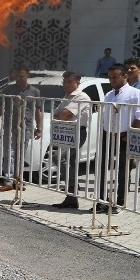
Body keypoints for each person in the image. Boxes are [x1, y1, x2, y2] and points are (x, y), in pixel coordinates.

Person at [97, 64, 140, 214]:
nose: (112, 80)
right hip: (108, 134)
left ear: (125, 76)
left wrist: (129, 134)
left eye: (115, 77)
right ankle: (102, 201)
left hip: (124, 136)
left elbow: (139, 116)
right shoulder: (109, 94)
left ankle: (120, 203)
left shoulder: (135, 94)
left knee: (123, 170)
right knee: (101, 167)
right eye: (109, 77)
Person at [0, 64, 43, 192]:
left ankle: (18, 179)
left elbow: (38, 111)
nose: (19, 78)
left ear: (27, 75)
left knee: (20, 154)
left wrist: (39, 128)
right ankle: (8, 180)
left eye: (21, 76)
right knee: (9, 153)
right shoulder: (7, 90)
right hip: (9, 125)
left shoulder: (34, 91)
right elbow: (0, 107)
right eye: (16, 76)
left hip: (26, 126)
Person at [51, 71, 90, 209]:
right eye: (64, 82)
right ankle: (71, 197)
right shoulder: (67, 96)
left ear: (77, 83)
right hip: (65, 132)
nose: (66, 85)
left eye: (69, 82)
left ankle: (73, 186)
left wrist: (60, 116)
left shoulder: (82, 96)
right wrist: (60, 116)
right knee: (70, 163)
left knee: (58, 157)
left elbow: (65, 115)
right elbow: (56, 114)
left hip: (76, 132)